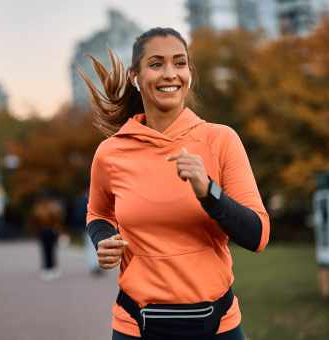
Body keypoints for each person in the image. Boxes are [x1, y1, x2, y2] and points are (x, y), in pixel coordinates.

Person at [80, 27, 270, 340]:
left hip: (217, 325)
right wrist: (103, 239)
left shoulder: (221, 140)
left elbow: (258, 235)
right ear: (134, 77)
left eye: (179, 63)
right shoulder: (110, 152)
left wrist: (208, 192)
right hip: (135, 326)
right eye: (156, 64)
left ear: (189, 73)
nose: (170, 74)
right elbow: (98, 213)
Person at [30, 197, 64, 281]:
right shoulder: (52, 209)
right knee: (51, 250)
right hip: (49, 232)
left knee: (46, 251)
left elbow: (34, 222)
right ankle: (51, 268)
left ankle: (47, 268)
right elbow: (56, 221)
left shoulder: (38, 210)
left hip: (43, 232)